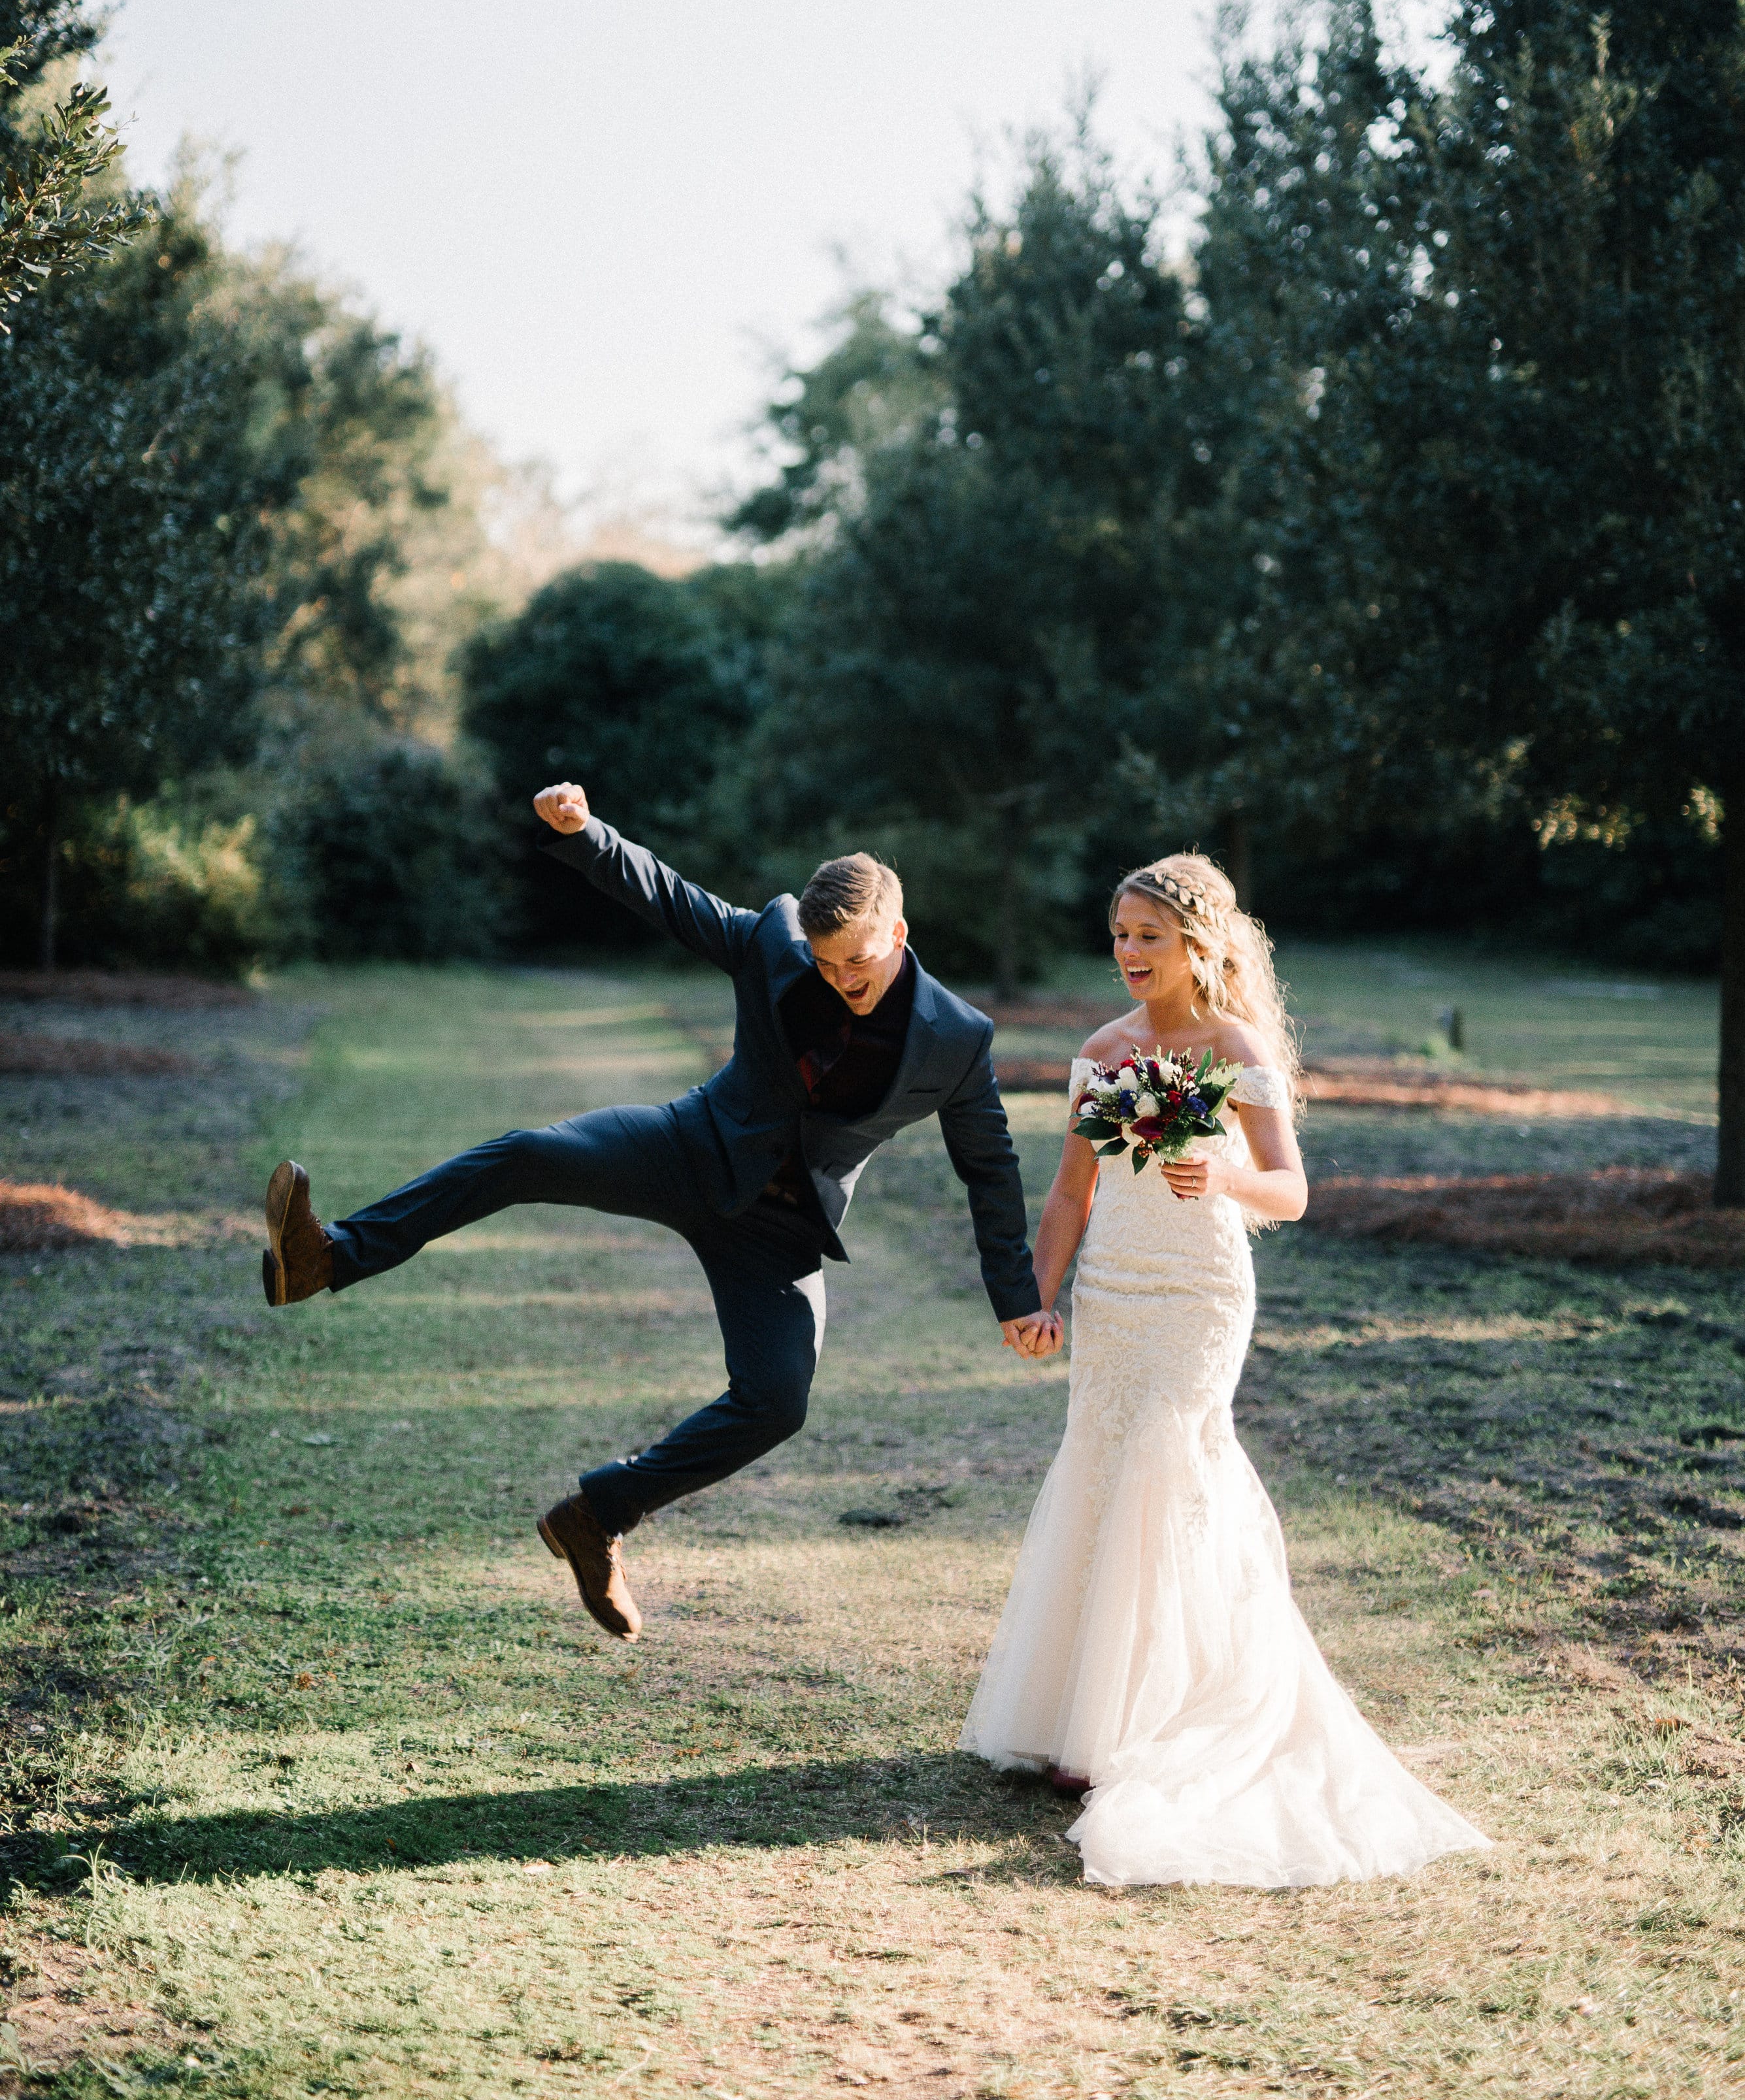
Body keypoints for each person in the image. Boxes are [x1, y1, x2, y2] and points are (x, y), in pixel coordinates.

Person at [261, 781, 1061, 1641]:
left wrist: (1017, 1299)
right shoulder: (774, 940)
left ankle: (596, 1515)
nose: (839, 981)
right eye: (825, 965)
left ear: (897, 935)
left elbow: (989, 1170)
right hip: (688, 1148)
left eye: (856, 964)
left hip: (780, 1227)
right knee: (525, 1154)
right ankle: (327, 1258)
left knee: (777, 1403)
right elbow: (674, 901)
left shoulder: (958, 1040)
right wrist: (587, 833)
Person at [959, 853, 1488, 1888]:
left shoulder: (1234, 1048)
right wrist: (1036, 1297)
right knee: (1103, 1469)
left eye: (1148, 937)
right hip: (1114, 1293)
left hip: (1199, 1296)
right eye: (1119, 936)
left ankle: (1171, 1715)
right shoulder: (1102, 1053)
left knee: (1172, 1470)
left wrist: (1224, 1174)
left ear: (1198, 946)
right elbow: (1068, 1195)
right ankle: (1084, 1721)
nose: (1128, 952)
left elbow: (1290, 1191)